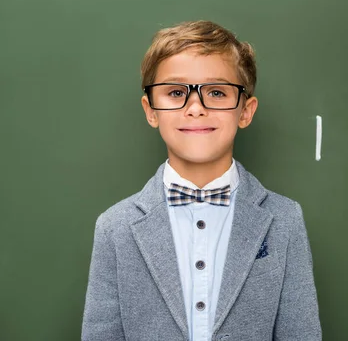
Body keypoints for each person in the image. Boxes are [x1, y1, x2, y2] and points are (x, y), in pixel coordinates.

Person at [82, 20, 322, 341]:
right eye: (176, 92)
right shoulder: (115, 227)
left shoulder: (285, 219)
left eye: (217, 92)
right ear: (151, 110)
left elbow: (301, 334)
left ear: (245, 111)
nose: (195, 108)